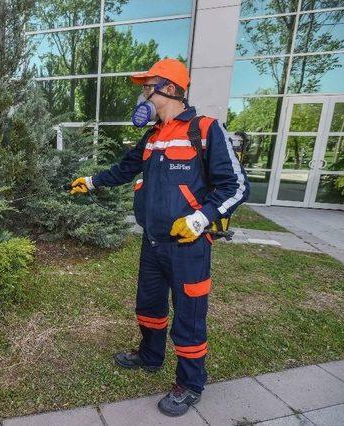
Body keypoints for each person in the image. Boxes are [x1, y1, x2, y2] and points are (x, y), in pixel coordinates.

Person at [70, 58, 250, 417]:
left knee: (189, 316)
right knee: (149, 306)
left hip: (189, 249)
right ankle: (150, 355)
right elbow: (125, 168)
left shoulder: (205, 129)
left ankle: (191, 383)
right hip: (152, 243)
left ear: (167, 89)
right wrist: (91, 182)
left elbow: (237, 186)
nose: (142, 95)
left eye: (146, 87)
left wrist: (200, 219)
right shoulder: (152, 135)